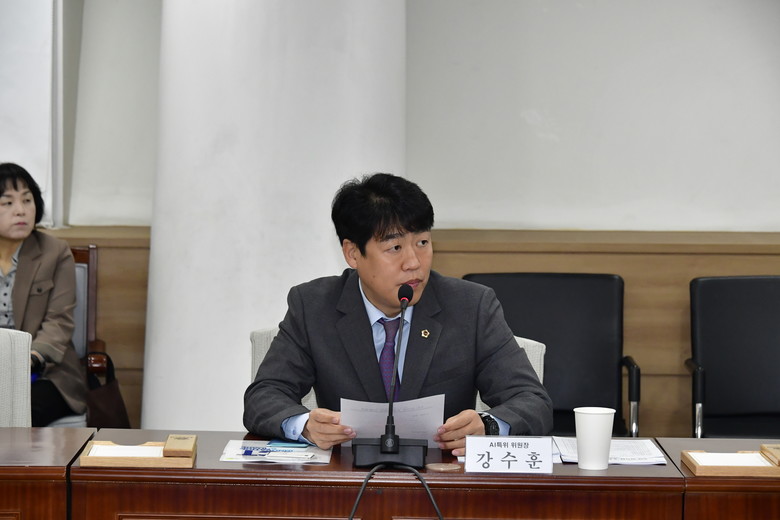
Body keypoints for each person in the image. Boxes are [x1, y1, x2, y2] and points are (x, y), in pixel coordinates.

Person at [243, 173, 552, 455]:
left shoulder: (471, 306)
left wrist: (488, 425)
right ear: (353, 253)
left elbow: (531, 400)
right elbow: (264, 395)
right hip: (348, 481)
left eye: (422, 242)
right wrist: (305, 425)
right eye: (395, 248)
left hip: (441, 482)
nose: (414, 262)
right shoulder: (313, 306)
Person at [0, 162, 86, 426]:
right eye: (7, 203)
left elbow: (59, 321)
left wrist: (29, 359)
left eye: (27, 200)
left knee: (20, 412)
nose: (21, 210)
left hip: (46, 372)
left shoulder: (54, 252)